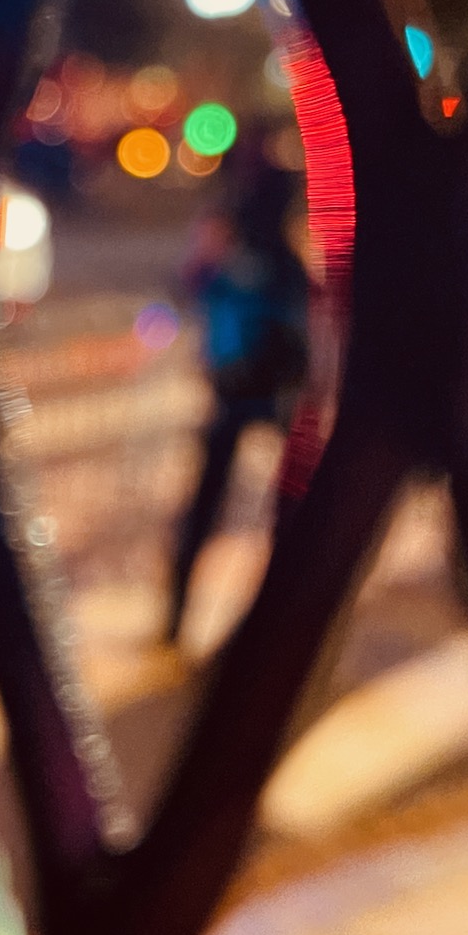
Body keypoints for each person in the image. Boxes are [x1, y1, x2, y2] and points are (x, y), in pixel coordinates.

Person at [167, 142, 310, 640]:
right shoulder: (272, 253)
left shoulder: (243, 247)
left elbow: (193, 286)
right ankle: (196, 613)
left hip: (248, 386)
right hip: (262, 387)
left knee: (220, 501)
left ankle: (183, 613)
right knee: (272, 506)